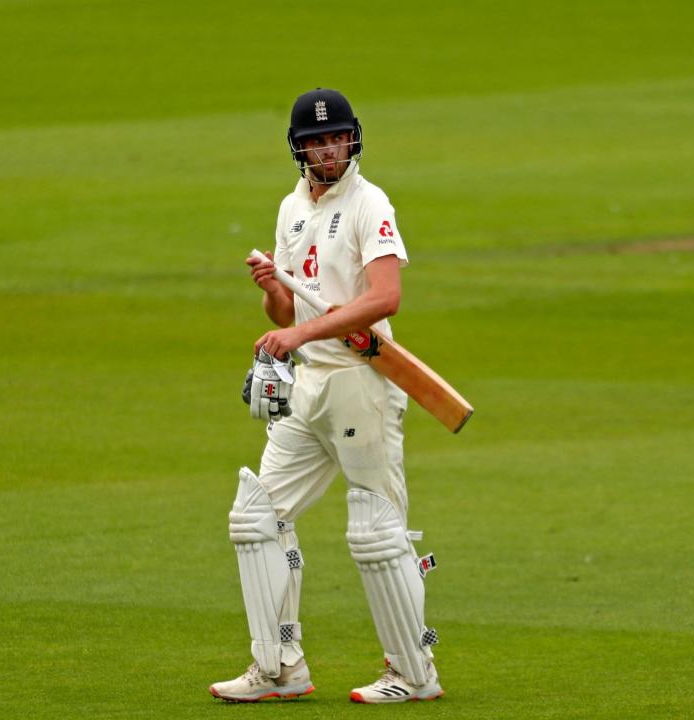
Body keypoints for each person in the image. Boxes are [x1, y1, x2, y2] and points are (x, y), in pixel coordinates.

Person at [209, 88, 443, 704]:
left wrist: (299, 330)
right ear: (300, 149)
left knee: (377, 531)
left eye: (336, 137)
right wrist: (271, 291)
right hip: (308, 383)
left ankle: (413, 674)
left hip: (361, 380)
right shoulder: (291, 207)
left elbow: (384, 297)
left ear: (352, 139)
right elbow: (286, 307)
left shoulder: (371, 203)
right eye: (316, 141)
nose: (328, 148)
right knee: (257, 517)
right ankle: (280, 667)